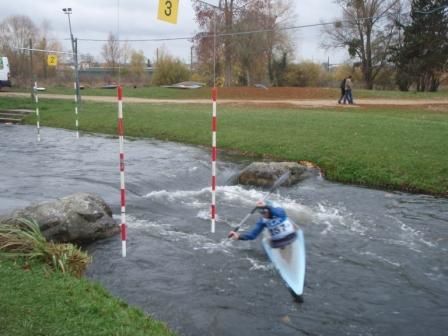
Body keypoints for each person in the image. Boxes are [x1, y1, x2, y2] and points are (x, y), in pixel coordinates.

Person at [228, 200, 297, 248]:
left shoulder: (278, 212)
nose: (263, 214)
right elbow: (252, 235)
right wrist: (239, 237)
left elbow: (277, 209)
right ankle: (283, 245)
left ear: (268, 209)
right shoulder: (262, 221)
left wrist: (265, 206)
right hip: (278, 243)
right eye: (261, 212)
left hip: (291, 236)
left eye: (264, 211)